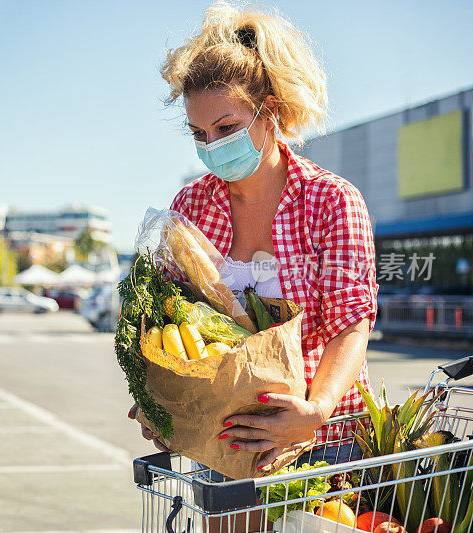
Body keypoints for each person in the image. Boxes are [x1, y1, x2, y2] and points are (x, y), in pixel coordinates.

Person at [128, 1, 378, 475]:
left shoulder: (331, 202)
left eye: (226, 128)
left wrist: (316, 410)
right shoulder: (190, 209)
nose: (212, 146)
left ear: (273, 113)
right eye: (198, 133)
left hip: (326, 445)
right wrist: (160, 399)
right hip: (225, 442)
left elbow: (351, 323)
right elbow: (165, 319)